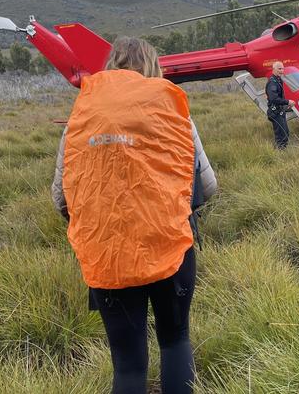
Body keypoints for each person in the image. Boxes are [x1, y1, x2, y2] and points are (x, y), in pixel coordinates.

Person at [51, 37, 217, 394]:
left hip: (107, 255)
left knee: (127, 365)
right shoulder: (174, 113)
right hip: (171, 247)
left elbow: (59, 198)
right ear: (152, 67)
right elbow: (209, 185)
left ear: (111, 67)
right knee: (175, 342)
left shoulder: (80, 119)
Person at [265, 61, 295, 149]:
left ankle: (282, 151)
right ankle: (280, 153)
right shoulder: (272, 82)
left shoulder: (278, 80)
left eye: (282, 68)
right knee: (281, 135)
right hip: (275, 112)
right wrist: (287, 102)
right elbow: (273, 99)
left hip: (280, 111)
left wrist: (285, 106)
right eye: (279, 68)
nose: (282, 70)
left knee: (285, 133)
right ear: (273, 69)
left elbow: (278, 97)